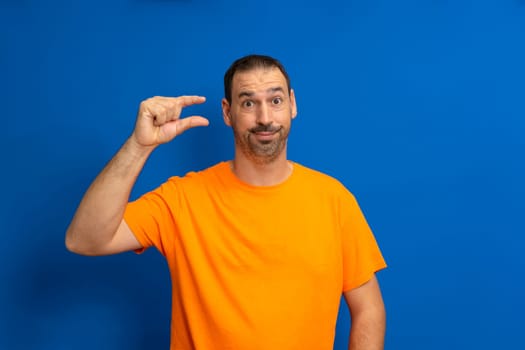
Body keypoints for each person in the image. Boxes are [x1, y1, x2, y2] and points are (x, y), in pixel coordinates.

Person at [65, 54, 387, 350]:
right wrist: (139, 146)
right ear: (227, 112)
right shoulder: (182, 199)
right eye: (248, 104)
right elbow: (85, 239)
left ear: (292, 105)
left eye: (275, 100)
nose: (264, 118)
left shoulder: (333, 199)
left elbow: (368, 308)